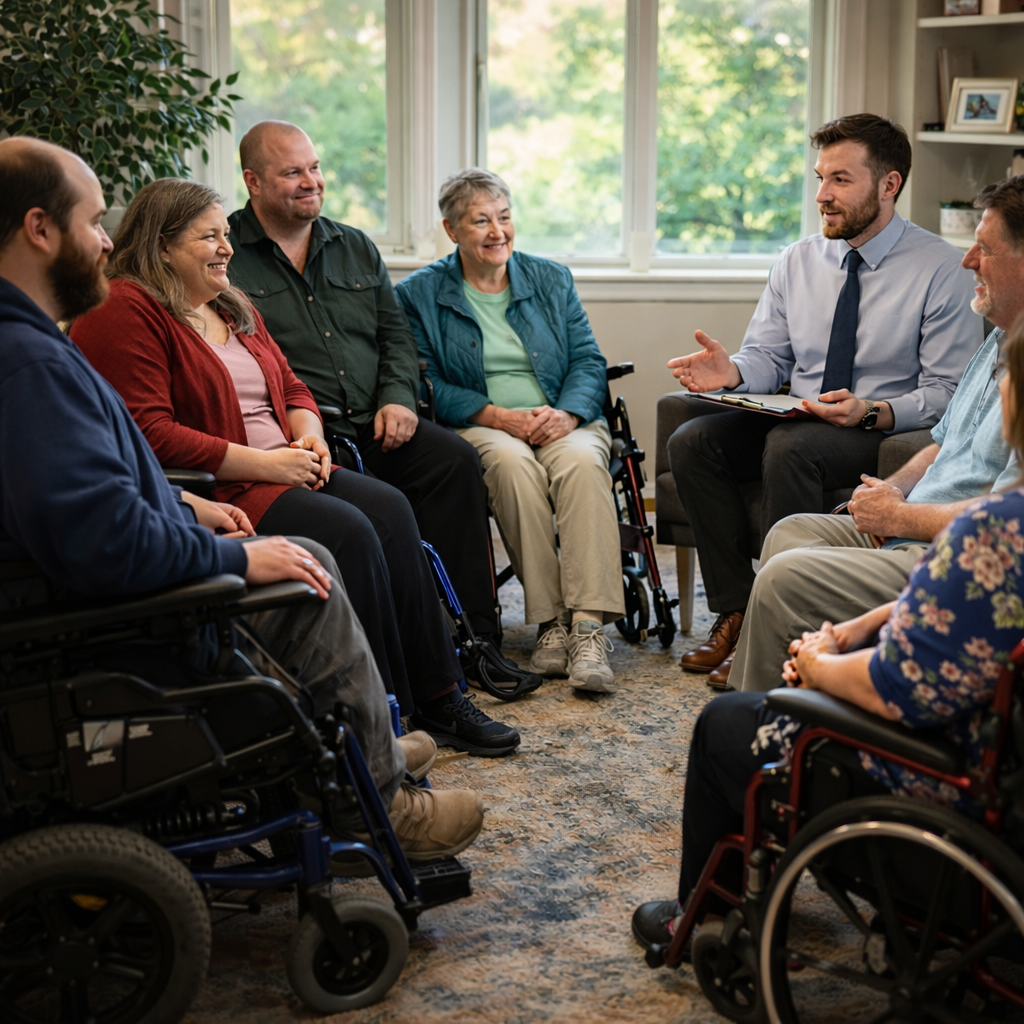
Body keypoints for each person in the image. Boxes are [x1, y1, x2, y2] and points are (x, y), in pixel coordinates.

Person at [0, 137, 483, 860]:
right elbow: (103, 529)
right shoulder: (36, 358)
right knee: (310, 558)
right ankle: (371, 796)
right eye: (96, 220)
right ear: (40, 229)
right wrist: (225, 550)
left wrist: (190, 505)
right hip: (100, 604)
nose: (106, 241)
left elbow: (92, 482)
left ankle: (389, 726)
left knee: (383, 508)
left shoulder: (33, 345)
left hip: (176, 516)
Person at [70, 177, 521, 759]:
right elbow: (149, 432)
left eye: (226, 234)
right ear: (162, 245)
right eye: (209, 236)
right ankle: (378, 719)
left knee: (391, 508)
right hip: (226, 483)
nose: (226, 248)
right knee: (351, 531)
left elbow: (291, 385)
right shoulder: (127, 308)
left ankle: (439, 692)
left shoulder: (228, 302)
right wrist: (270, 464)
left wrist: (308, 438)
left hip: (285, 462)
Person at [632, 305, 1024, 952]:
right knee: (784, 534)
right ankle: (752, 637)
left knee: (725, 726)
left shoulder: (989, 531)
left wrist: (819, 666)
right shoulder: (1001, 524)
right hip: (976, 728)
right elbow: (930, 606)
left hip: (935, 768)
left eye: (1009, 379)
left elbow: (899, 684)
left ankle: (728, 894)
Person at [665, 114, 980, 687]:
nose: (822, 196)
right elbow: (771, 357)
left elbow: (949, 394)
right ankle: (738, 610)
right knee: (693, 439)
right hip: (804, 414)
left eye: (840, 180)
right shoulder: (797, 259)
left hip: (879, 429)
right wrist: (732, 370)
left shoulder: (942, 270)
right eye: (820, 179)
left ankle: (785, 626)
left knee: (791, 448)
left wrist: (872, 411)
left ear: (889, 185)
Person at [223, 121, 535, 696]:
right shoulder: (228, 256)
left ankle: (477, 640)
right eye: (293, 173)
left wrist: (398, 397)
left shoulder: (355, 245)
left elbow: (396, 337)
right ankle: (397, 660)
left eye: (314, 168)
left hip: (380, 422)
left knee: (456, 461)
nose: (311, 182)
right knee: (377, 513)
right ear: (254, 182)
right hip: (308, 437)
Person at [732, 175, 1024, 694]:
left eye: (986, 249)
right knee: (791, 532)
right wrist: (894, 490)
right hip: (912, 520)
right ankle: (802, 692)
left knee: (784, 575)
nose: (968, 260)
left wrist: (899, 516)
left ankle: (760, 716)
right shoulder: (1000, 337)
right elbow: (943, 441)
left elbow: (1002, 526)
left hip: (955, 557)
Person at [396, 169, 624, 694]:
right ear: (452, 231)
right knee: (509, 464)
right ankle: (550, 624)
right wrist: (500, 416)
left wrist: (566, 414)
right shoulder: (419, 295)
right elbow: (426, 380)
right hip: (484, 422)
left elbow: (588, 360)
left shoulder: (550, 278)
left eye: (504, 217)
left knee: (585, 463)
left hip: (559, 415)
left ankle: (587, 628)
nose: (497, 231)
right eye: (481, 221)